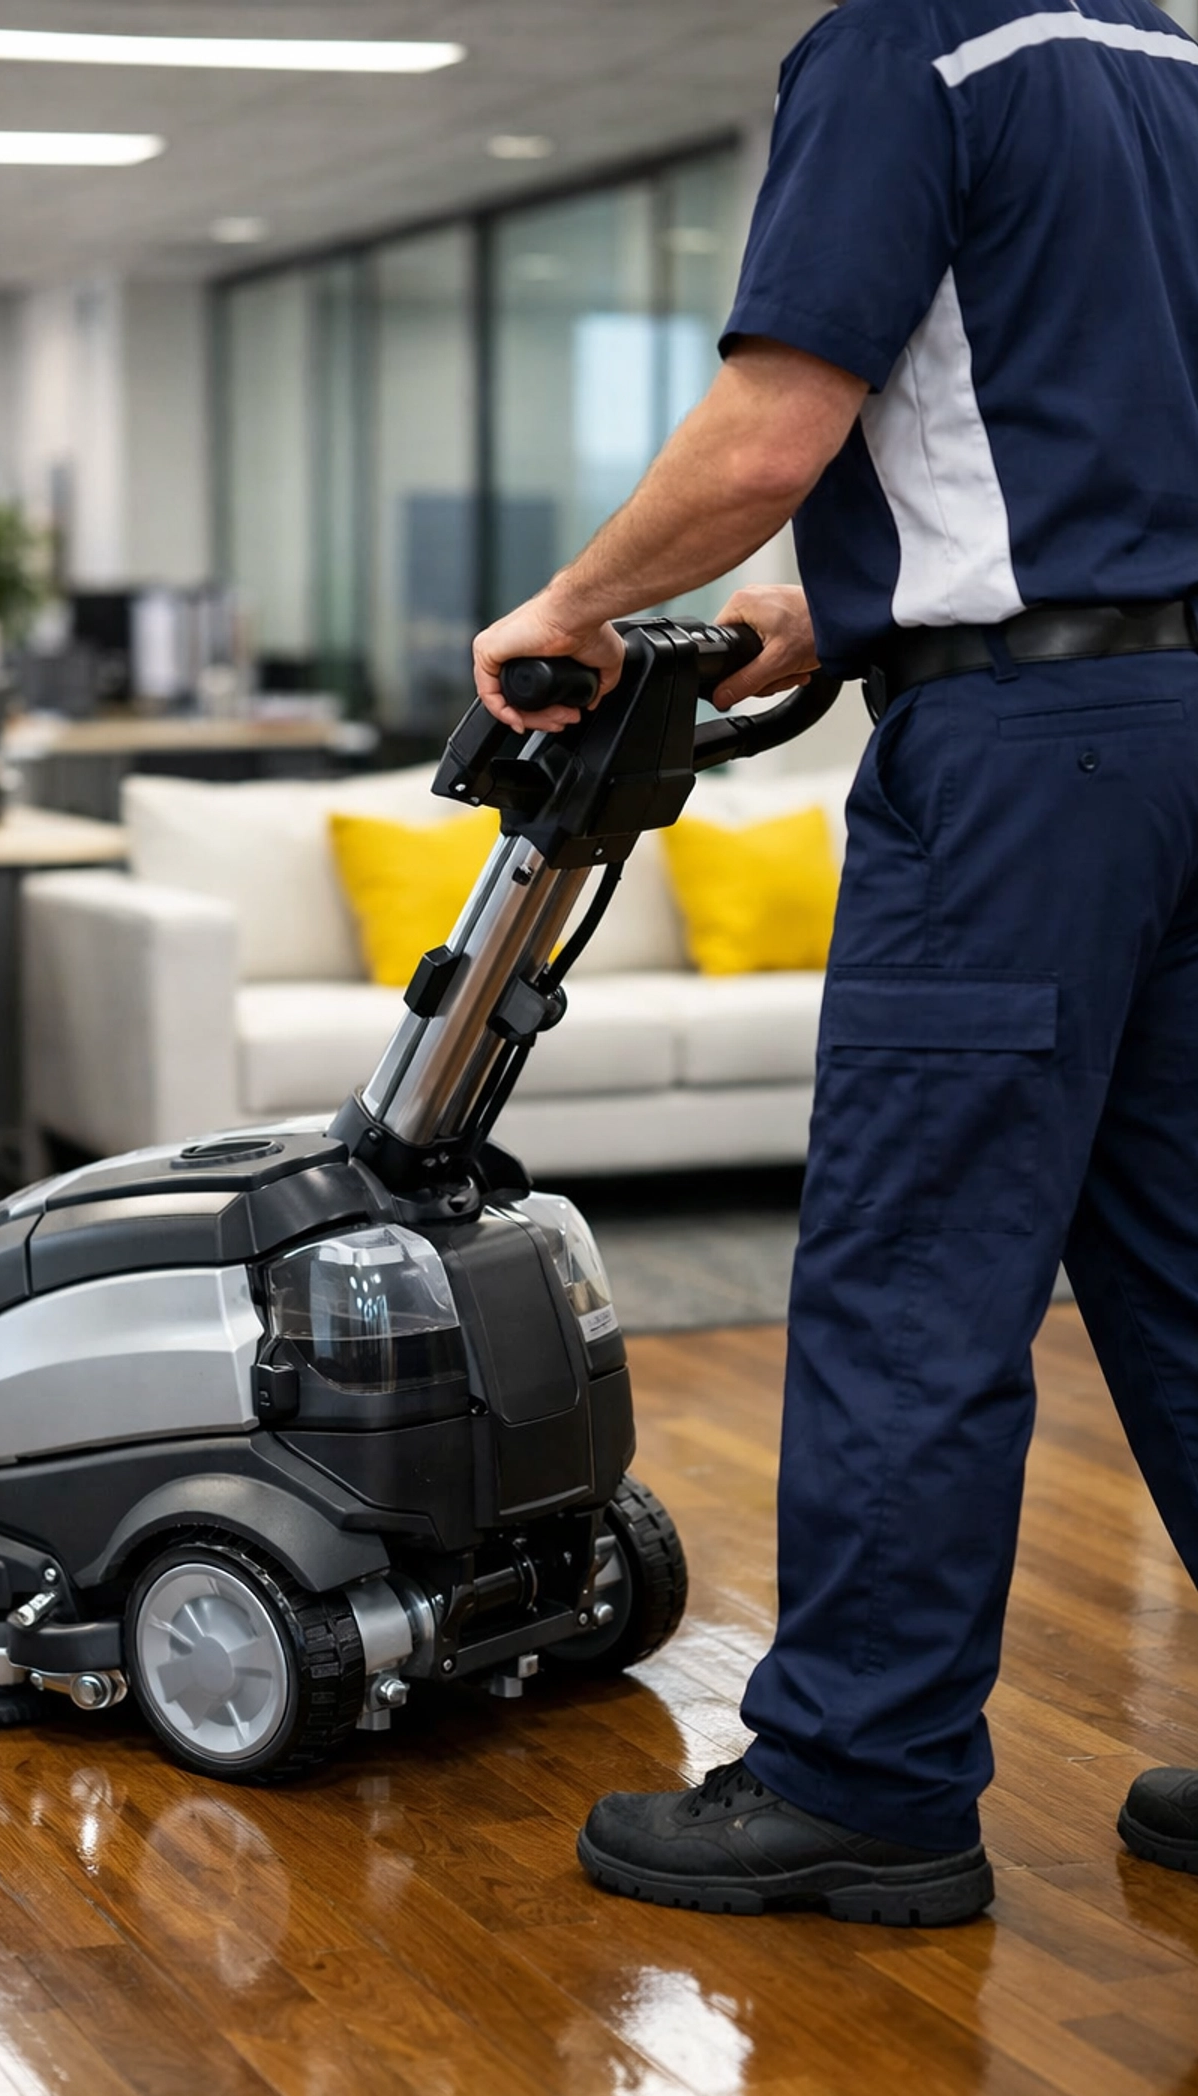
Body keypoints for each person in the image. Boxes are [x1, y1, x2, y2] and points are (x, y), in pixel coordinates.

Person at [474, 0, 1198, 1925]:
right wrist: (864, 602)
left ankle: (863, 1780)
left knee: (916, 1276)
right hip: (1177, 726)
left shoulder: (899, 44)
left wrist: (575, 604)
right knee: (1190, 1269)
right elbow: (1101, 429)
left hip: (1023, 773)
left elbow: (767, 435)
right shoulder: (1161, 56)